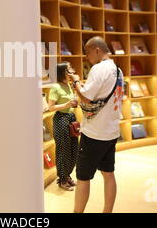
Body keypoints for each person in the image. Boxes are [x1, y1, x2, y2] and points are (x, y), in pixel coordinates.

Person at [70, 36, 124, 213]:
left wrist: (76, 80)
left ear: (97, 50)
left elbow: (86, 96)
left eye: (87, 52)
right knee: (108, 174)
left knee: (83, 177)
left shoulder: (98, 69)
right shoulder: (117, 70)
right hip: (111, 131)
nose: (87, 57)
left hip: (94, 133)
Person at [48, 62, 79, 191]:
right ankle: (62, 179)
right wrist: (66, 105)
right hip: (61, 119)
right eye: (68, 69)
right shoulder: (55, 87)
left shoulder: (69, 85)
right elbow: (51, 107)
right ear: (62, 72)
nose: (71, 70)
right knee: (63, 150)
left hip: (71, 119)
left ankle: (67, 175)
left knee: (74, 149)